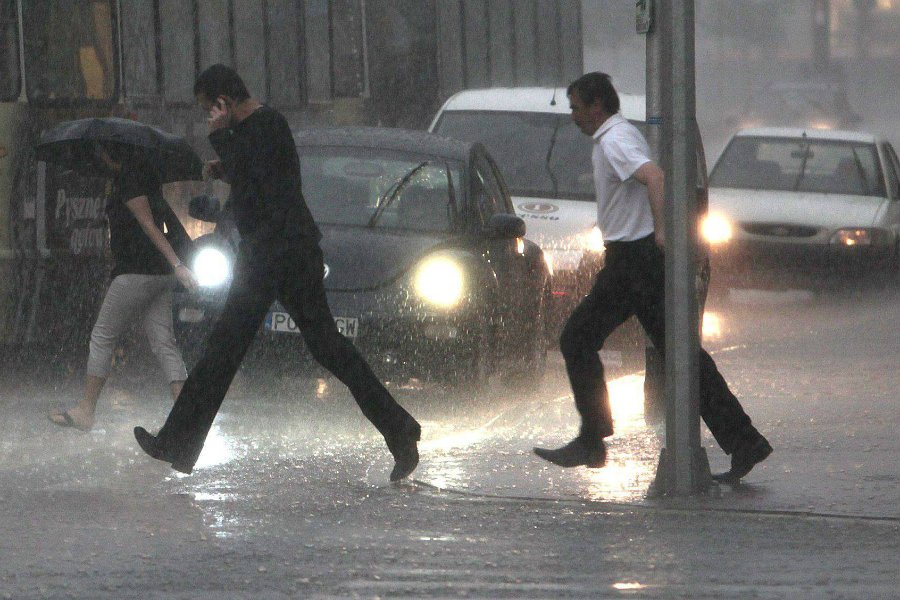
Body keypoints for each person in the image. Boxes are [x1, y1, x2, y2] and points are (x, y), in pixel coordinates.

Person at [133, 64, 421, 481]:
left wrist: (220, 142)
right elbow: (252, 176)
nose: (208, 119)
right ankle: (178, 441)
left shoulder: (268, 124)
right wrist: (222, 165)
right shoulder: (254, 130)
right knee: (232, 349)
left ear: (224, 102)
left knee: (310, 348)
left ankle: (401, 432)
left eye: (209, 111)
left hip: (284, 254)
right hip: (267, 254)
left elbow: (258, 184)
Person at [533, 72, 772, 483]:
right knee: (680, 354)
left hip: (634, 262)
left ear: (596, 106)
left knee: (578, 338)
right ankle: (744, 440)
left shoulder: (615, 139)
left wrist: (661, 231)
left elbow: (654, 177)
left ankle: (593, 438)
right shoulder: (615, 136)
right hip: (631, 260)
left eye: (576, 107)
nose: (572, 116)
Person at [49, 143, 199, 431]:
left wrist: (179, 265)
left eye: (101, 153)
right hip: (159, 274)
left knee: (103, 336)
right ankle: (185, 417)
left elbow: (149, 226)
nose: (99, 158)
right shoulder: (147, 178)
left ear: (110, 154)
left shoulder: (129, 180)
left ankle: (86, 411)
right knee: (164, 342)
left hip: (136, 273)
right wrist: (173, 267)